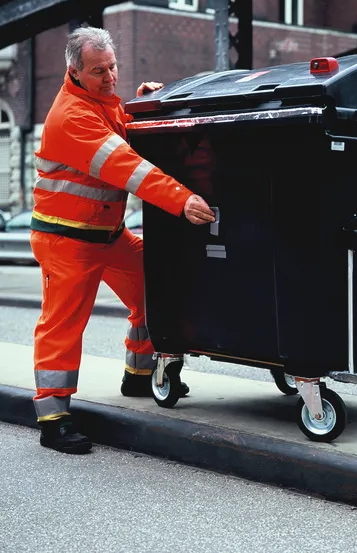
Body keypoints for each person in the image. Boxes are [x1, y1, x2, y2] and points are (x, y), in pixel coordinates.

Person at [29, 26, 216, 454]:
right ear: (73, 71)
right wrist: (181, 200)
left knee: (155, 286)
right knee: (63, 326)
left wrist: (142, 104)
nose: (110, 76)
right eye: (99, 71)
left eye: (113, 67)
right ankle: (53, 418)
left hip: (106, 236)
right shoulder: (71, 117)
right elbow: (127, 166)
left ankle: (138, 375)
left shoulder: (99, 103)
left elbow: (120, 129)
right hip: (67, 242)